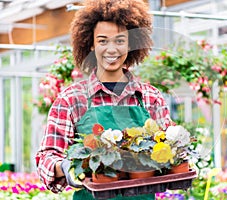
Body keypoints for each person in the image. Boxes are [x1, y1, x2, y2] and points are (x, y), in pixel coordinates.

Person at [35, 0, 172, 199]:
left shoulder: (150, 98)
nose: (111, 49)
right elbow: (47, 157)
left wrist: (179, 157)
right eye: (102, 40)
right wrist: (65, 166)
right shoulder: (72, 100)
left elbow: (169, 150)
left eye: (119, 40)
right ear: (90, 44)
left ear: (130, 44)